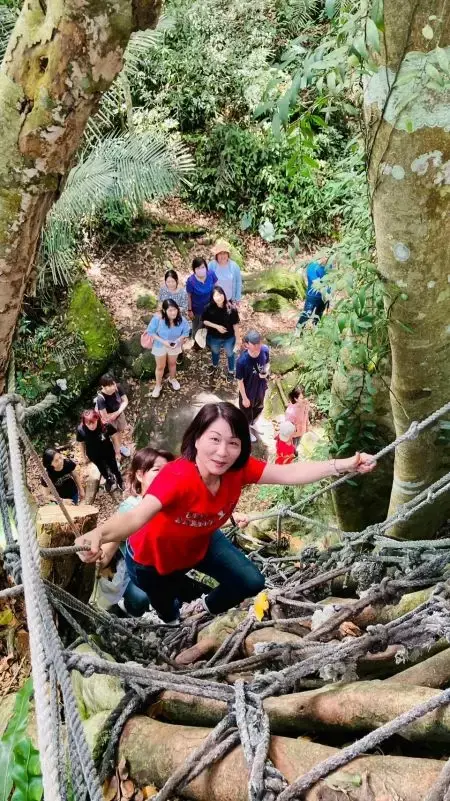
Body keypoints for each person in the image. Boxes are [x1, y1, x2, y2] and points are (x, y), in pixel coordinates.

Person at [75, 401, 376, 625]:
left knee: (251, 581)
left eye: (233, 443)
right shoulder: (176, 477)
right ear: (196, 439)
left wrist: (344, 465)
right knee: (168, 612)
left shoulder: (238, 469)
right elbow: (136, 517)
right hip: (153, 560)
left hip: (201, 542)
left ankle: (203, 608)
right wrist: (99, 534)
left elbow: (289, 473)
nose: (222, 452)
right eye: (214, 440)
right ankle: (169, 620)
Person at [96, 447, 175, 616]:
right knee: (142, 598)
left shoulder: (172, 505)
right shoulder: (130, 508)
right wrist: (93, 565)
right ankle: (126, 608)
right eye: (157, 470)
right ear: (140, 475)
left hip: (164, 568)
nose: (164, 475)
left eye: (168, 471)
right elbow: (109, 546)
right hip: (133, 572)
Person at [147, 299, 190, 399]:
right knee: (160, 367)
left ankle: (172, 379)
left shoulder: (182, 320)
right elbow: (151, 332)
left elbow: (185, 332)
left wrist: (178, 341)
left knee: (172, 363)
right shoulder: (158, 319)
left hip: (175, 345)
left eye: (175, 309)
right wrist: (164, 342)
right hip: (160, 344)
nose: (173, 312)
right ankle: (158, 385)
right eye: (170, 310)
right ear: (164, 310)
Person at [236, 329, 270, 443]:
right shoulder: (242, 361)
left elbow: (267, 363)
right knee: (246, 413)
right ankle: (246, 431)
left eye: (259, 342)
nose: (257, 346)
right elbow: (240, 381)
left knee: (259, 408)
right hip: (248, 391)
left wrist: (266, 372)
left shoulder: (265, 350)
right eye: (254, 344)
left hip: (260, 387)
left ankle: (252, 423)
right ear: (247, 345)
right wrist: (244, 398)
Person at [76, 410, 123, 492]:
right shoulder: (81, 430)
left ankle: (119, 480)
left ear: (97, 419)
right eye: (88, 424)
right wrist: (83, 456)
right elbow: (81, 443)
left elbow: (114, 437)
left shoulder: (105, 425)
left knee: (114, 466)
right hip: (93, 454)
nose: (91, 426)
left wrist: (117, 452)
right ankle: (108, 479)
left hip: (108, 452)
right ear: (84, 423)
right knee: (101, 468)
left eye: (93, 422)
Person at [202, 286, 240, 380]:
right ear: (212, 297)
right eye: (216, 295)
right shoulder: (208, 308)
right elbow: (204, 321)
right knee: (215, 351)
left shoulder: (232, 308)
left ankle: (231, 371)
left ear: (224, 295)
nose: (218, 297)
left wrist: (238, 340)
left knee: (230, 353)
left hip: (229, 337)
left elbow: (235, 325)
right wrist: (217, 327)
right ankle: (214, 366)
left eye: (220, 294)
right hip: (214, 336)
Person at [95, 375, 130, 459]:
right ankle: (116, 452)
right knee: (114, 435)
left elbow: (125, 401)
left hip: (119, 414)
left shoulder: (118, 387)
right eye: (110, 385)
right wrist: (115, 413)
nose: (113, 387)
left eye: (113, 384)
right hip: (110, 421)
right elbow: (105, 416)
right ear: (103, 387)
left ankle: (120, 447)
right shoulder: (100, 399)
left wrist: (117, 413)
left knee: (120, 431)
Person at [186, 257, 218, 345]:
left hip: (210, 306)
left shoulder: (211, 274)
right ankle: (196, 344)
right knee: (197, 327)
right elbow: (189, 296)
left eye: (203, 267)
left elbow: (216, 288)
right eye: (198, 268)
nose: (201, 270)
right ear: (194, 270)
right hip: (197, 308)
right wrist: (190, 310)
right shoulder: (191, 281)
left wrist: (217, 301)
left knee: (209, 325)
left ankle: (207, 342)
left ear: (206, 267)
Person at [297, 255, 331, 329]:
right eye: (326, 255)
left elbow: (330, 280)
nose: (327, 258)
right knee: (306, 314)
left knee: (319, 315)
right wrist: (327, 295)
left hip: (324, 297)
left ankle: (315, 330)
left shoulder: (329, 265)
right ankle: (298, 331)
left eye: (329, 256)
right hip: (313, 296)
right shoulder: (312, 267)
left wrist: (329, 293)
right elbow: (317, 284)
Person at [208, 240, 242, 306]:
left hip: (229, 300)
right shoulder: (211, 265)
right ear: (216, 255)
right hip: (215, 300)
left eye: (224, 253)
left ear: (228, 255)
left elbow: (238, 283)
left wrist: (237, 299)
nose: (222, 256)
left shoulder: (234, 266)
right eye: (220, 253)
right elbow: (207, 281)